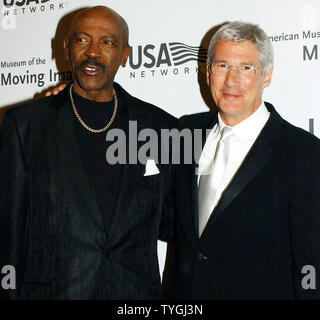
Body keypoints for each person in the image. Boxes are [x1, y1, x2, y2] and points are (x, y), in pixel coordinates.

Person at [0, 6, 176, 300]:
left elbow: (174, 225)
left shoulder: (161, 128)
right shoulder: (26, 126)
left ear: (125, 54)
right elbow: (7, 235)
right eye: (82, 40)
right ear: (67, 48)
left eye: (107, 42)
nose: (93, 52)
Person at [169, 21, 320, 299]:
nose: (231, 81)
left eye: (246, 68)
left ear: (267, 76)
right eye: (223, 66)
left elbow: (312, 262)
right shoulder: (184, 133)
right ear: (207, 72)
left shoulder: (304, 153)